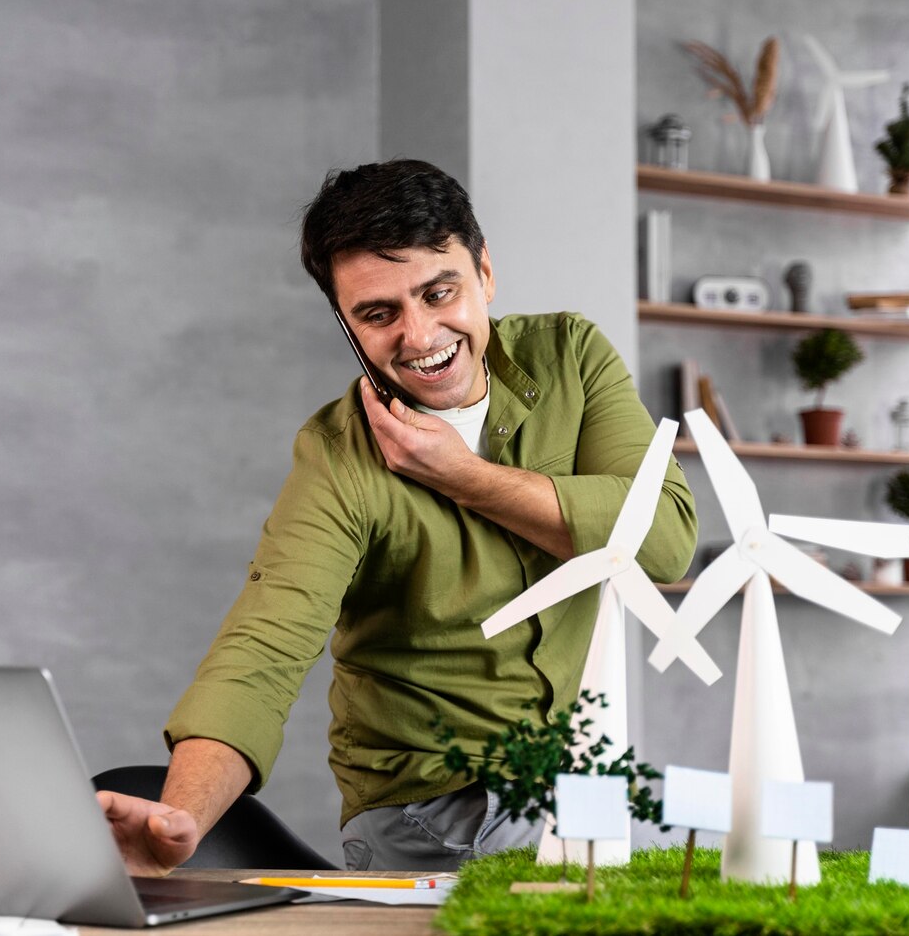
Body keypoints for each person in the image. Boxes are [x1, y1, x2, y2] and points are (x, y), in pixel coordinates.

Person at [98, 159, 697, 874]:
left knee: (739, 855)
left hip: (569, 784)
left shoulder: (571, 356)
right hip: (431, 809)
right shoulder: (337, 458)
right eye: (378, 314)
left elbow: (662, 538)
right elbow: (262, 652)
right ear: (347, 324)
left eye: (439, 292)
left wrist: (462, 475)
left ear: (484, 274)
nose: (418, 336)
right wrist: (179, 823)